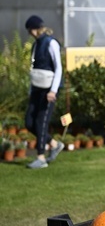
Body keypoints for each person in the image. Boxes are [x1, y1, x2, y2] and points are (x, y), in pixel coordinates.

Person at [24, 15, 65, 169]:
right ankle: (54, 144)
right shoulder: (36, 45)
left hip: (49, 89)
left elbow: (58, 68)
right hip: (37, 87)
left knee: (41, 122)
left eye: (30, 30)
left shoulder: (51, 43)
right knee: (29, 122)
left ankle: (41, 157)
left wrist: (53, 91)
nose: (30, 33)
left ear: (35, 28)